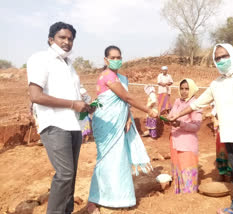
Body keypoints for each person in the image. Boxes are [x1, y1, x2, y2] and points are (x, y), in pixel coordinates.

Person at [169, 43, 233, 214]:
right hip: (229, 136)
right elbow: (197, 103)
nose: (221, 60)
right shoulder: (217, 83)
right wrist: (177, 115)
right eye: (217, 58)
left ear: (232, 54)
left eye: (224, 56)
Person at [27, 22, 93, 214]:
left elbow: (76, 94)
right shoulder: (40, 59)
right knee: (64, 174)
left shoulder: (69, 65)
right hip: (55, 125)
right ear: (51, 39)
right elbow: (36, 96)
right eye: (62, 38)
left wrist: (86, 105)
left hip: (73, 124)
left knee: (70, 176)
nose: (67, 42)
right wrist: (73, 104)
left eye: (70, 39)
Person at [87, 45, 156, 214]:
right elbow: (126, 97)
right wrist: (148, 110)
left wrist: (127, 117)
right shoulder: (106, 76)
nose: (117, 60)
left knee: (119, 159)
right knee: (105, 160)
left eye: (119, 57)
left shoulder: (121, 78)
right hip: (106, 124)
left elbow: (124, 103)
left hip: (120, 122)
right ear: (106, 60)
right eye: (113, 57)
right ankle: (93, 200)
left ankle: (119, 198)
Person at [167, 79, 202, 194]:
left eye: (187, 89)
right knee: (177, 168)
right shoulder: (177, 101)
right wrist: (167, 120)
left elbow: (196, 126)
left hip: (187, 143)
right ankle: (179, 194)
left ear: (192, 89)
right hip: (175, 141)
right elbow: (171, 115)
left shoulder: (196, 104)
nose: (184, 91)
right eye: (182, 88)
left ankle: (188, 197)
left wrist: (181, 124)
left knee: (187, 170)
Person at [211, 104, 232, 182]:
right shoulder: (219, 102)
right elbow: (212, 115)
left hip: (232, 132)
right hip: (222, 132)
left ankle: (230, 173)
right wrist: (217, 122)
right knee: (221, 152)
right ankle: (222, 173)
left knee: (231, 153)